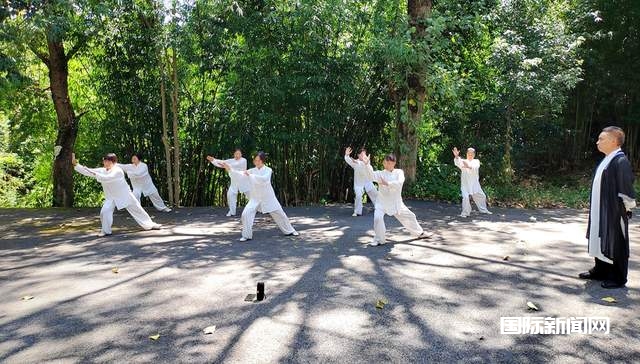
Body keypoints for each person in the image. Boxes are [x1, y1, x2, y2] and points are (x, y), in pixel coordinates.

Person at [579, 126, 636, 289]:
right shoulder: (607, 158)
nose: (597, 142)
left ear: (613, 141)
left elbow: (626, 186)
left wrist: (627, 208)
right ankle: (601, 270)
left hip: (614, 209)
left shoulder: (620, 160)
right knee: (599, 234)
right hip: (600, 208)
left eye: (601, 139)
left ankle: (618, 277)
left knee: (616, 239)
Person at [72, 153, 161, 237]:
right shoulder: (102, 170)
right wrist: (76, 165)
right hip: (111, 197)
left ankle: (150, 224)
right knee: (104, 212)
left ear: (113, 162)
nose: (105, 163)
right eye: (104, 161)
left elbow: (107, 178)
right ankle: (106, 231)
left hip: (125, 195)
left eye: (108, 161)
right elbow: (88, 171)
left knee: (138, 209)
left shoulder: (118, 171)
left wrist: (94, 173)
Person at [221, 151, 299, 241]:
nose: (256, 162)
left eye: (258, 160)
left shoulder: (268, 170)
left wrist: (251, 175)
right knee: (246, 214)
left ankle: (290, 230)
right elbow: (240, 174)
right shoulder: (252, 170)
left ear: (262, 161)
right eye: (255, 160)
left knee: (280, 214)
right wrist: (230, 169)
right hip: (255, 198)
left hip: (268, 197)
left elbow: (264, 179)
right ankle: (246, 235)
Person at [364, 153, 428, 246]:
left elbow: (400, 182)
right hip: (382, 202)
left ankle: (420, 233)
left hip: (396, 203)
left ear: (393, 163)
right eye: (385, 162)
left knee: (410, 216)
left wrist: (388, 183)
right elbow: (371, 175)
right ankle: (380, 239)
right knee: (377, 218)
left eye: (388, 163)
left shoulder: (399, 172)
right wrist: (367, 165)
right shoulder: (380, 174)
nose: (386, 164)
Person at [207, 149, 251, 216]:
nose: (237, 155)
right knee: (230, 195)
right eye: (236, 154)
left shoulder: (243, 160)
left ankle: (258, 208)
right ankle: (232, 212)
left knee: (251, 196)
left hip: (243, 180)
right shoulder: (231, 160)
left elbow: (234, 165)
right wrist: (213, 160)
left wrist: (226, 166)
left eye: (239, 154)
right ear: (234, 154)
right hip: (234, 180)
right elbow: (222, 162)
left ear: (241, 154)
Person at [452, 147, 492, 217]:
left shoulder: (476, 161)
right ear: (467, 154)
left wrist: (468, 166)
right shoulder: (463, 161)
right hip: (465, 184)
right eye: (469, 153)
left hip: (474, 184)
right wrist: (456, 156)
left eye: (472, 154)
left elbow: (474, 167)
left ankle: (483, 210)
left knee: (482, 196)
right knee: (465, 198)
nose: (470, 155)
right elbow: (458, 162)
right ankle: (465, 213)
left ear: (474, 155)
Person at [344, 147, 378, 216]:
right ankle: (357, 212)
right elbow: (350, 160)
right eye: (362, 154)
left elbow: (370, 170)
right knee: (359, 196)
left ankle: (379, 208)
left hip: (367, 181)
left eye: (364, 154)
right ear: (358, 155)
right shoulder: (355, 163)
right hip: (358, 183)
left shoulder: (367, 161)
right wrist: (347, 155)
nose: (363, 156)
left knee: (375, 194)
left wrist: (367, 163)